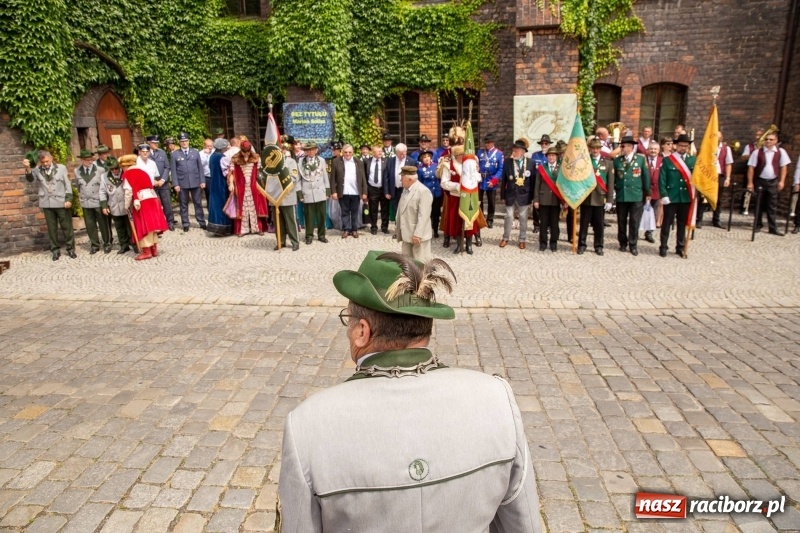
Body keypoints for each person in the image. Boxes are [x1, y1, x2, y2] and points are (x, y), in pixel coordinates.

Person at [277, 251, 541, 532]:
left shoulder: (307, 425)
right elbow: (523, 524)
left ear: (362, 332)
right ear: (426, 324)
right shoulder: (497, 399)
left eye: (349, 319)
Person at [23, 150, 76, 260]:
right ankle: (55, 250)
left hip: (61, 202)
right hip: (47, 203)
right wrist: (27, 168)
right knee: (52, 229)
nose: (45, 164)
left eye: (47, 161)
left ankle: (70, 249)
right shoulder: (37, 170)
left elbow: (68, 185)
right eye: (43, 162)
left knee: (67, 227)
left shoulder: (61, 168)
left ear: (51, 159)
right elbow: (31, 180)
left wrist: (68, 199)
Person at [120, 154, 169, 260]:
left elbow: (128, 192)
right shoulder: (144, 172)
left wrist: (126, 205)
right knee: (152, 225)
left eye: (123, 167)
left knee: (143, 226)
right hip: (152, 200)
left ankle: (147, 251)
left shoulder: (128, 174)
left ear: (126, 166)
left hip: (141, 202)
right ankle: (154, 249)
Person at [438, 139, 479, 255]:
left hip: (469, 197)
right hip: (456, 198)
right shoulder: (448, 166)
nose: (463, 157)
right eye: (461, 155)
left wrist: (473, 180)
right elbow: (444, 183)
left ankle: (469, 245)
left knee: (469, 220)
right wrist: (457, 186)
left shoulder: (470, 164)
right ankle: (459, 244)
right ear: (456, 155)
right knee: (457, 221)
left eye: (464, 154)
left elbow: (478, 177)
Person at [747, 130, 790, 236]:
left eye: (771, 139)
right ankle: (757, 224)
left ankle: (772, 227)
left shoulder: (780, 152)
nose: (768, 141)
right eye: (766, 139)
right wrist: (750, 182)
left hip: (773, 181)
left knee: (772, 205)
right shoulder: (757, 152)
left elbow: (784, 167)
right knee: (758, 204)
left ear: (776, 141)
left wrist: (782, 181)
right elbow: (751, 168)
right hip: (760, 180)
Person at [613, 136, 650, 256]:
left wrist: (647, 192)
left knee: (634, 221)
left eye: (624, 146)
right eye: (622, 146)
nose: (623, 148)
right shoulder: (617, 161)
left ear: (631, 147)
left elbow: (645, 177)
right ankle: (622, 243)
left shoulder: (640, 159)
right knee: (621, 221)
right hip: (622, 195)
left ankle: (633, 244)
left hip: (636, 195)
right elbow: (614, 178)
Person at [659, 134, 696, 257]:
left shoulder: (692, 160)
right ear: (676, 145)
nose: (683, 148)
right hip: (671, 196)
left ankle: (680, 247)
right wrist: (663, 194)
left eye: (685, 146)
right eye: (681, 145)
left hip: (685, 197)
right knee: (667, 223)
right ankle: (663, 246)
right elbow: (662, 178)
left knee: (681, 223)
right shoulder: (668, 160)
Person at [578, 139, 614, 255]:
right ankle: (582, 245)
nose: (595, 150)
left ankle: (598, 246)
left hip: (600, 198)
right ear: (589, 149)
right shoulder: (584, 161)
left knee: (599, 225)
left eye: (597, 148)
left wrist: (609, 200)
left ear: (600, 149)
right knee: (584, 224)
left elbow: (610, 183)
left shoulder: (608, 163)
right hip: (587, 197)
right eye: (593, 148)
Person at [74, 149, 111, 254]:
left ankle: (107, 243)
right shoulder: (77, 171)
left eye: (91, 159)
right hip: (86, 201)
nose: (90, 162)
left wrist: (105, 203)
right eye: (87, 160)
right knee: (90, 225)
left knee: (103, 224)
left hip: (98, 201)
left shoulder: (100, 170)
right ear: (82, 160)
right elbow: (78, 185)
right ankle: (95, 244)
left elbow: (104, 188)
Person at [227, 140, 268, 236]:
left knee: (255, 207)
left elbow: (259, 173)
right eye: (244, 151)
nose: (246, 154)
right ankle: (242, 230)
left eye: (248, 151)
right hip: (241, 187)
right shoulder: (235, 158)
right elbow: (231, 173)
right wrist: (231, 184)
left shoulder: (256, 157)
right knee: (242, 207)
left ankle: (257, 228)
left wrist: (261, 184)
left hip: (254, 186)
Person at [500, 139, 533, 249]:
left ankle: (522, 239)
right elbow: (503, 180)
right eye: (513, 151)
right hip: (510, 194)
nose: (514, 153)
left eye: (516, 151)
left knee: (523, 217)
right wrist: (502, 195)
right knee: (508, 216)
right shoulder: (507, 162)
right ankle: (505, 238)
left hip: (524, 195)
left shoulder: (531, 163)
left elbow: (533, 181)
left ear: (523, 152)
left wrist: (532, 197)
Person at [171, 132, 207, 232]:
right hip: (182, 183)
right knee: (183, 204)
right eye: (182, 141)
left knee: (198, 203)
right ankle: (185, 223)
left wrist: (202, 180)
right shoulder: (175, 154)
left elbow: (200, 167)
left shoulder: (195, 152)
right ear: (179, 142)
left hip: (195, 181)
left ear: (188, 141)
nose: (184, 143)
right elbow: (173, 170)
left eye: (186, 141)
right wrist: (176, 184)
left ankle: (201, 222)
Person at [396, 166, 433, 261]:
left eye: (402, 177)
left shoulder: (423, 191)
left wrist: (418, 234)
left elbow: (424, 216)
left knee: (420, 264)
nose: (400, 180)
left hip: (418, 236)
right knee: (407, 264)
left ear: (410, 179)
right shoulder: (405, 189)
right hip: (406, 234)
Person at [268, 145, 301, 251]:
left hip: (287, 195)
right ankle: (280, 242)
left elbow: (294, 177)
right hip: (274, 197)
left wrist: (279, 183)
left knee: (290, 221)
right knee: (278, 222)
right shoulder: (270, 163)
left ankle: (295, 242)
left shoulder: (291, 162)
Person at [332, 144, 368, 238]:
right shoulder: (336, 162)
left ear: (353, 153)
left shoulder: (359, 162)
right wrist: (334, 191)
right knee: (344, 212)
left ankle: (354, 229)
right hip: (343, 191)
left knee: (355, 212)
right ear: (342, 152)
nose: (347, 154)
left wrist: (364, 192)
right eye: (345, 152)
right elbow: (332, 179)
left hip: (355, 191)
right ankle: (346, 229)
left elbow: (363, 178)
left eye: (349, 152)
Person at [297, 143, 330, 244]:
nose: (310, 152)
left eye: (312, 150)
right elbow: (298, 179)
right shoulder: (300, 161)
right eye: (308, 150)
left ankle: (321, 235)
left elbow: (325, 176)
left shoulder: (321, 160)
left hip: (320, 191)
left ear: (316, 150)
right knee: (309, 215)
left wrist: (327, 191)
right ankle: (309, 236)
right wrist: (299, 193)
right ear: (306, 151)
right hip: (307, 192)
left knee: (321, 215)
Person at [99, 157, 133, 254]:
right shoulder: (104, 176)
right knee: (119, 227)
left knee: (129, 226)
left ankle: (133, 243)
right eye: (112, 169)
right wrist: (104, 206)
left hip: (126, 205)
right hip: (114, 205)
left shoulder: (125, 173)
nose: (115, 170)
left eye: (116, 168)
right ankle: (124, 245)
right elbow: (102, 191)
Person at [533, 146, 563, 252]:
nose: (551, 157)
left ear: (556, 157)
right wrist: (536, 200)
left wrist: (565, 200)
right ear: (546, 157)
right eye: (549, 155)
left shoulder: (561, 168)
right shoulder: (542, 168)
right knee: (543, 223)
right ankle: (543, 243)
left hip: (556, 200)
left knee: (554, 223)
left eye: (553, 155)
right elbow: (537, 185)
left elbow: (563, 185)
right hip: (543, 199)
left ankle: (553, 243)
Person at [704, 132, 734, 229]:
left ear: (721, 138)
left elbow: (728, 164)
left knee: (718, 200)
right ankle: (698, 220)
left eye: (718, 138)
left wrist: (728, 178)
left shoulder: (726, 149)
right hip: (708, 175)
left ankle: (716, 220)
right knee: (703, 198)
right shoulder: (707, 147)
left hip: (719, 175)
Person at [146, 135, 174, 231]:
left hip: (163, 182)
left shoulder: (162, 152)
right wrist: (152, 180)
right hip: (151, 184)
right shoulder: (145, 153)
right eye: (154, 143)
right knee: (154, 205)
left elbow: (167, 167)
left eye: (157, 143)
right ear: (149, 143)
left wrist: (162, 180)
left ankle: (170, 222)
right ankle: (157, 224)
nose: (157, 144)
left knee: (167, 203)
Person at [206, 138, 233, 236]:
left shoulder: (212, 156)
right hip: (221, 184)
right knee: (223, 204)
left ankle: (214, 227)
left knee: (215, 205)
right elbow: (226, 173)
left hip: (214, 183)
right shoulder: (222, 157)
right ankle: (223, 228)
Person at [477, 133, 503, 229]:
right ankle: (481, 218)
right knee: (479, 201)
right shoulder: (480, 152)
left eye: (488, 143)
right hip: (481, 179)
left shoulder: (499, 154)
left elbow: (501, 169)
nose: (486, 145)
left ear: (493, 143)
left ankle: (490, 220)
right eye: (485, 143)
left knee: (491, 201)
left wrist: (494, 180)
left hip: (491, 179)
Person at [417, 150, 442, 238]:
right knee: (426, 214)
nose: (426, 159)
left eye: (428, 157)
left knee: (436, 213)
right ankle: (426, 230)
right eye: (424, 157)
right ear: (421, 159)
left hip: (437, 193)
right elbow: (419, 183)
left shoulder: (436, 166)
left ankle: (435, 230)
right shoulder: (419, 169)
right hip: (426, 194)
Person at [365, 144, 389, 235]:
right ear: (372, 152)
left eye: (381, 151)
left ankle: (384, 227)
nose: (380, 153)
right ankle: (373, 227)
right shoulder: (367, 161)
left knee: (385, 209)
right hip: (372, 188)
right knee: (373, 209)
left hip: (383, 189)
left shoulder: (386, 161)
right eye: (378, 151)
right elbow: (365, 175)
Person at [643, 140, 663, 243]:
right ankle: (635, 231)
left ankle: (649, 232)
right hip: (643, 191)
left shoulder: (662, 160)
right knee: (640, 211)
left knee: (653, 212)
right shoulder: (643, 160)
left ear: (659, 150)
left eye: (655, 149)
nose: (653, 151)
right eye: (651, 149)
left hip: (656, 191)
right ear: (647, 150)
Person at [199, 138, 214, 203]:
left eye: (211, 145)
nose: (210, 147)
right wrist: (206, 155)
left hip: (215, 176)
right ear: (204, 146)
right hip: (207, 176)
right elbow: (201, 165)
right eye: (208, 146)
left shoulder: (214, 152)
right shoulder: (200, 154)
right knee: (209, 194)